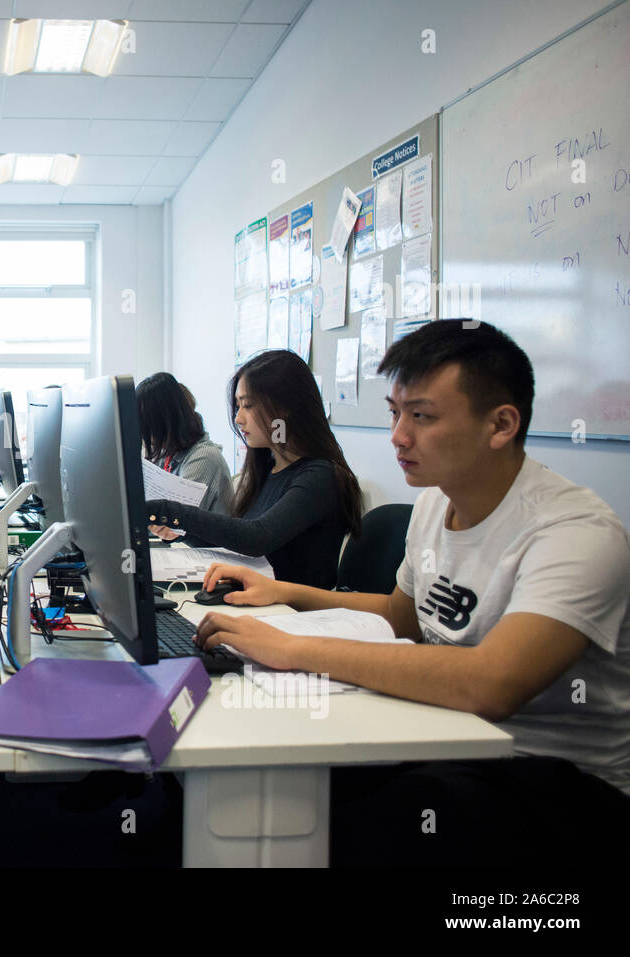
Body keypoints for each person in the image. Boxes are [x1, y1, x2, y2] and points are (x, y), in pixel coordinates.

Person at [193, 320, 630, 866]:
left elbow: (492, 684)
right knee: (273, 774)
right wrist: (284, 592)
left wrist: (290, 647)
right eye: (395, 412)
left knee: (346, 816)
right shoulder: (433, 504)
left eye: (421, 416)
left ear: (501, 424)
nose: (398, 436)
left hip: (556, 781)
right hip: (445, 735)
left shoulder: (574, 532)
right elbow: (403, 617)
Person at [146, 349, 363, 588]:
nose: (238, 418)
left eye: (247, 405)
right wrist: (180, 530)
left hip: (295, 614)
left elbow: (256, 538)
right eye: (238, 406)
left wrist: (171, 512)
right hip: (261, 604)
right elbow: (241, 547)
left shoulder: (320, 476)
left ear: (283, 408)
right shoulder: (268, 469)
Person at [136, 371, 234, 514]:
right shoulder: (167, 454)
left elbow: (176, 521)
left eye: (147, 426)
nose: (145, 435)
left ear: (162, 423)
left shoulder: (203, 457)